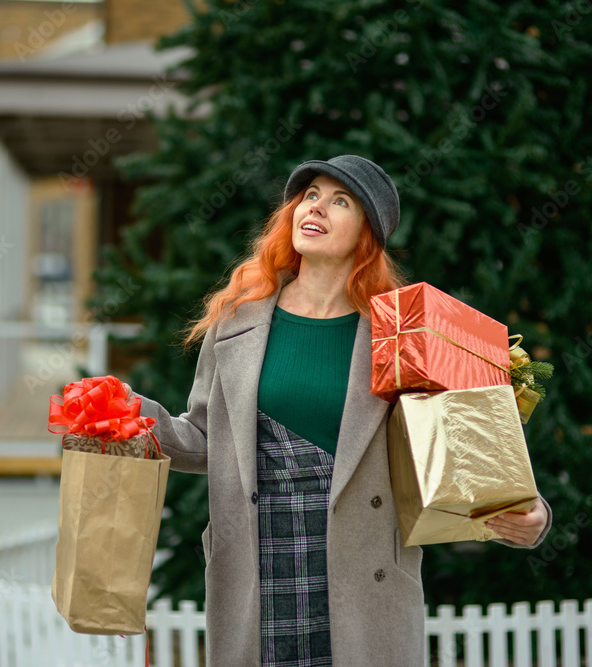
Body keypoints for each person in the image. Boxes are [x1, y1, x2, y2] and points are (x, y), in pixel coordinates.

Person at [130, 155, 552, 667]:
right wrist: (129, 417)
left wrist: (528, 513)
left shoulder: (406, 334)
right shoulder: (236, 322)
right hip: (258, 571)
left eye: (340, 201)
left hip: (365, 581)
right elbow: (202, 438)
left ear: (367, 234)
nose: (316, 208)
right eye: (310, 195)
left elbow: (470, 448)